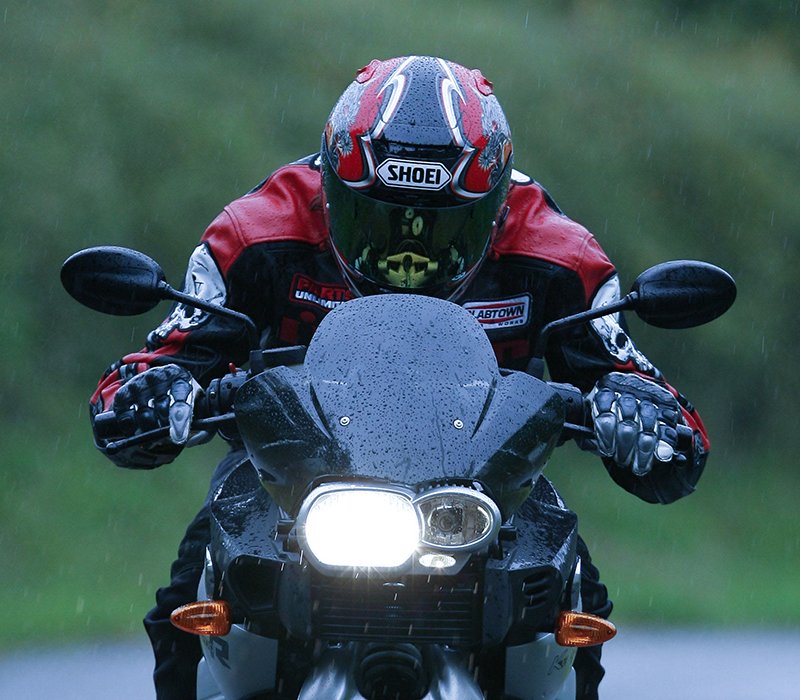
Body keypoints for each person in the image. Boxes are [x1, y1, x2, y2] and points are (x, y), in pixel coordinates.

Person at [89, 56, 709, 699]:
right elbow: (161, 356)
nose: (407, 252)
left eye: (441, 227)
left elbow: (656, 402)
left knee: (571, 592)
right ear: (331, 189)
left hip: (482, 495)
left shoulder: (557, 252)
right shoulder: (258, 231)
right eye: (380, 221)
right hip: (288, 484)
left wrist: (637, 411)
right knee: (192, 590)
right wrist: (156, 389)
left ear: (495, 208)